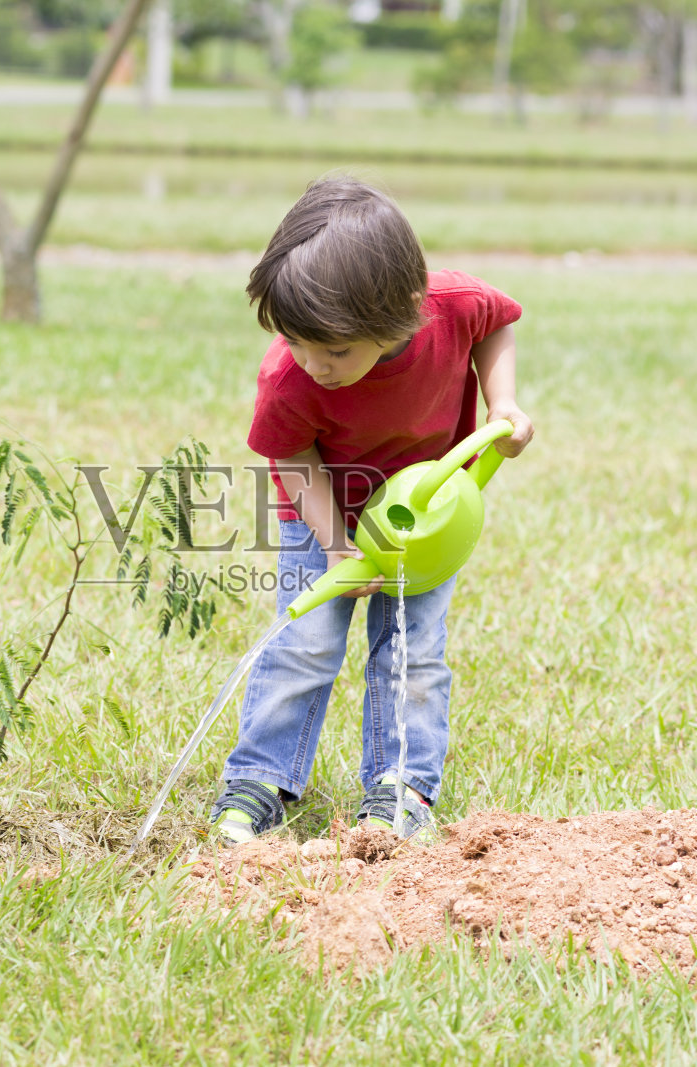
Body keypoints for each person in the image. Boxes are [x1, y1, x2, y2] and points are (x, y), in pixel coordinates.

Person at [211, 177, 534, 846]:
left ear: (404, 313)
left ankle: (399, 789)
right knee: (305, 641)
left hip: (423, 513)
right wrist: (335, 544)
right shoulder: (291, 377)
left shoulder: (451, 306)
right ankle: (260, 779)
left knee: (411, 649)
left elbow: (497, 323)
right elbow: (293, 454)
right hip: (323, 506)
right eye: (298, 342)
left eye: (334, 351)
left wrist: (502, 403)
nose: (314, 364)